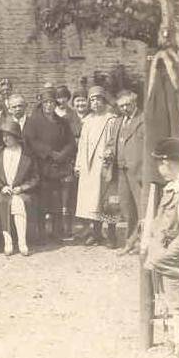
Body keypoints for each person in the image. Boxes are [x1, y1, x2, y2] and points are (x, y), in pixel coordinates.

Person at [142, 138, 179, 358]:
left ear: (168, 162)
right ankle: (175, 351)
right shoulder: (172, 187)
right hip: (165, 263)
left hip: (174, 264)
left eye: (160, 164)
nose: (159, 169)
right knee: (171, 307)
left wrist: (163, 257)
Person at [23, 88, 77, 242]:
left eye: (52, 102)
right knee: (42, 201)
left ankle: (57, 231)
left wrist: (62, 155)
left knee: (57, 201)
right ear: (41, 104)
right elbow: (32, 141)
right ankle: (41, 233)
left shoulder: (63, 122)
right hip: (41, 166)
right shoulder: (33, 122)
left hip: (59, 166)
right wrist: (50, 153)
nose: (49, 105)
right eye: (46, 102)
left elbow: (71, 143)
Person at [74, 86, 120, 247]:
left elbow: (114, 142)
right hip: (89, 165)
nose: (94, 103)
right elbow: (82, 144)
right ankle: (96, 232)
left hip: (105, 164)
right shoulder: (87, 120)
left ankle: (112, 234)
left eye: (97, 99)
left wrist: (110, 159)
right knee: (92, 200)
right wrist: (79, 164)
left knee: (107, 199)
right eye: (92, 100)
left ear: (104, 100)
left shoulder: (111, 119)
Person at [0, 120, 39, 256]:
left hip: (22, 191)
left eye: (9, 135)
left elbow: (35, 177)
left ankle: (22, 242)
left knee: (18, 201)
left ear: (16, 136)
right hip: (3, 191)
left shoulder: (26, 154)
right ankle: (8, 241)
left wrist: (22, 188)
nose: (5, 139)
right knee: (2, 201)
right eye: (3, 136)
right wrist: (1, 187)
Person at [114, 90, 145, 254]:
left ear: (135, 103)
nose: (125, 108)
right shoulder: (119, 121)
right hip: (122, 171)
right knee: (127, 208)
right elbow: (115, 142)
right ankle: (130, 242)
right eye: (121, 106)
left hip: (138, 172)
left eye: (128, 104)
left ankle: (142, 243)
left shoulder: (144, 120)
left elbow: (149, 147)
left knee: (142, 208)